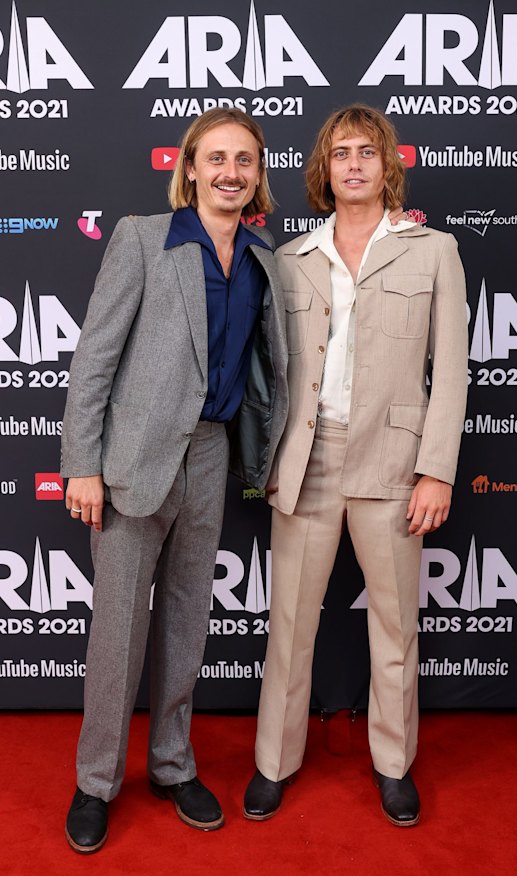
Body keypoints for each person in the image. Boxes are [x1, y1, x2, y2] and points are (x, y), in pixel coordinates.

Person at [61, 107, 288, 853]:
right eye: (215, 158)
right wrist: (83, 465)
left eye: (244, 160)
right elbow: (94, 359)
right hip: (130, 462)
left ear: (257, 171)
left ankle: (171, 764)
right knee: (118, 638)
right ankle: (96, 782)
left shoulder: (262, 255)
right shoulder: (140, 239)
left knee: (188, 626)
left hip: (212, 454)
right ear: (188, 167)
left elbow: (265, 368)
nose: (230, 172)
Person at [243, 104, 468, 827]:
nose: (354, 164)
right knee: (289, 625)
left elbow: (454, 371)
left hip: (395, 463)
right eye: (341, 152)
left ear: (388, 164)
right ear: (324, 169)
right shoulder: (292, 258)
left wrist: (437, 470)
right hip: (307, 461)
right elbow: (272, 374)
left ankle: (394, 765)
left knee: (398, 625)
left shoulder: (434, 251)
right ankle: (273, 763)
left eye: (367, 152)